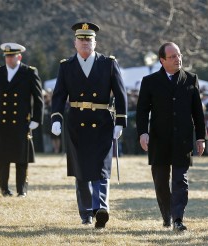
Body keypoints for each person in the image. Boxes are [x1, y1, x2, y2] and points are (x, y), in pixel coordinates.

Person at [50, 22, 127, 228]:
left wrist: (120, 121)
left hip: (102, 122)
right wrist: (56, 118)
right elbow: (58, 95)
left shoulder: (108, 63)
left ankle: (101, 207)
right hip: (76, 123)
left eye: (89, 40)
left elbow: (121, 94)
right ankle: (86, 213)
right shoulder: (66, 66)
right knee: (81, 170)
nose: (85, 43)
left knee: (101, 168)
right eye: (81, 40)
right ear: (75, 42)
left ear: (95, 42)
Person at [136, 42, 206, 232]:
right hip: (158, 139)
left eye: (179, 55)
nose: (178, 59)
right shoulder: (149, 81)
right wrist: (143, 132)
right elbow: (142, 111)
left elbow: (197, 112)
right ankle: (166, 215)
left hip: (182, 139)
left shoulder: (191, 79)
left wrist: (201, 137)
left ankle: (178, 219)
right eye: (173, 56)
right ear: (162, 60)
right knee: (160, 181)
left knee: (180, 180)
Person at [0, 42, 43, 198]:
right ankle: (4, 188)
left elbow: (38, 99)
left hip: (21, 122)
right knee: (2, 159)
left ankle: (21, 189)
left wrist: (36, 119)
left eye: (12, 56)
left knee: (21, 158)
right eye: (7, 56)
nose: (9, 59)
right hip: (2, 121)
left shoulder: (29, 72)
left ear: (19, 56)